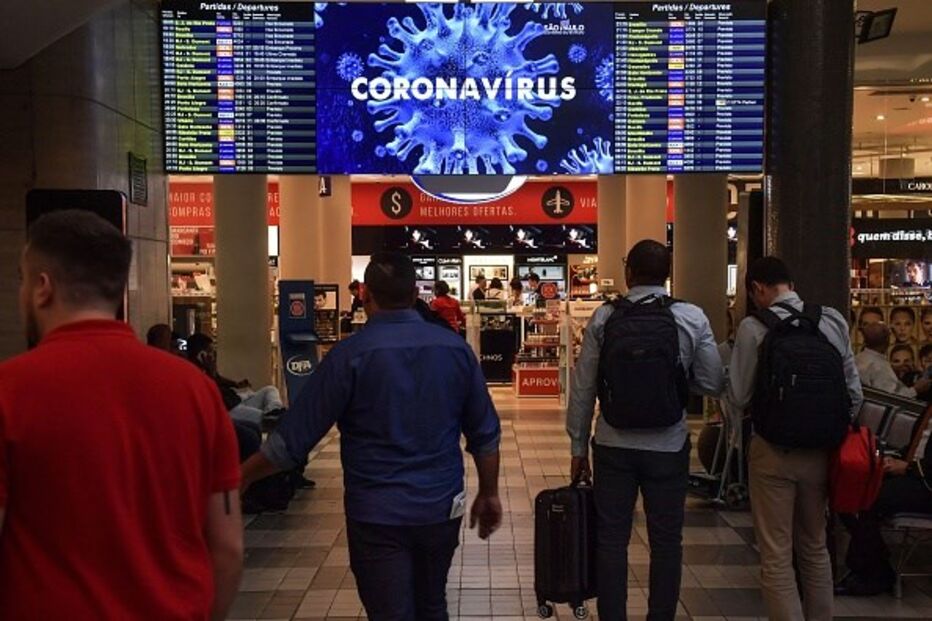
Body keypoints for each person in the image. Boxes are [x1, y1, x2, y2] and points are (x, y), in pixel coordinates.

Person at [0, 210, 242, 619]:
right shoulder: (194, 390)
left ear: (42, 288)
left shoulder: (10, 390)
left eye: (22, 280)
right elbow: (228, 549)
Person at [241, 252, 503, 620]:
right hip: (440, 507)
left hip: (376, 512)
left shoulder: (350, 355)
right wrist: (489, 493)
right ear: (416, 295)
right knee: (432, 604)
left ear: (365, 296)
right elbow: (485, 433)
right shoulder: (455, 351)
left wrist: (239, 478)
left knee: (390, 612)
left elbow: (292, 441)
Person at [567, 240, 724, 621]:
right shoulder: (690, 316)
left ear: (628, 273)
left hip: (612, 444)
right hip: (668, 445)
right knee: (667, 543)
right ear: (668, 274)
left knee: (611, 541)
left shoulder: (605, 318)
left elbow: (584, 385)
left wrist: (577, 448)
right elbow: (712, 381)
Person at [727, 257, 862, 621]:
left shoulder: (754, 328)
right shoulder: (831, 320)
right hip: (820, 452)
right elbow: (854, 391)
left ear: (757, 288)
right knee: (815, 545)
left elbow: (739, 396)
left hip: (772, 451)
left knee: (775, 553)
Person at [836, 435, 932, 595]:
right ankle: (875, 564)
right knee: (849, 486)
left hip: (926, 486)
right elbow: (916, 446)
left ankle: (874, 572)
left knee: (869, 495)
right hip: (916, 475)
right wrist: (891, 459)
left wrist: (908, 467)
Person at [856, 323, 930, 398]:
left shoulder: (858, 359)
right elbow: (891, 399)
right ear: (887, 340)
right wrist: (916, 389)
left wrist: (892, 369)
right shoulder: (879, 367)